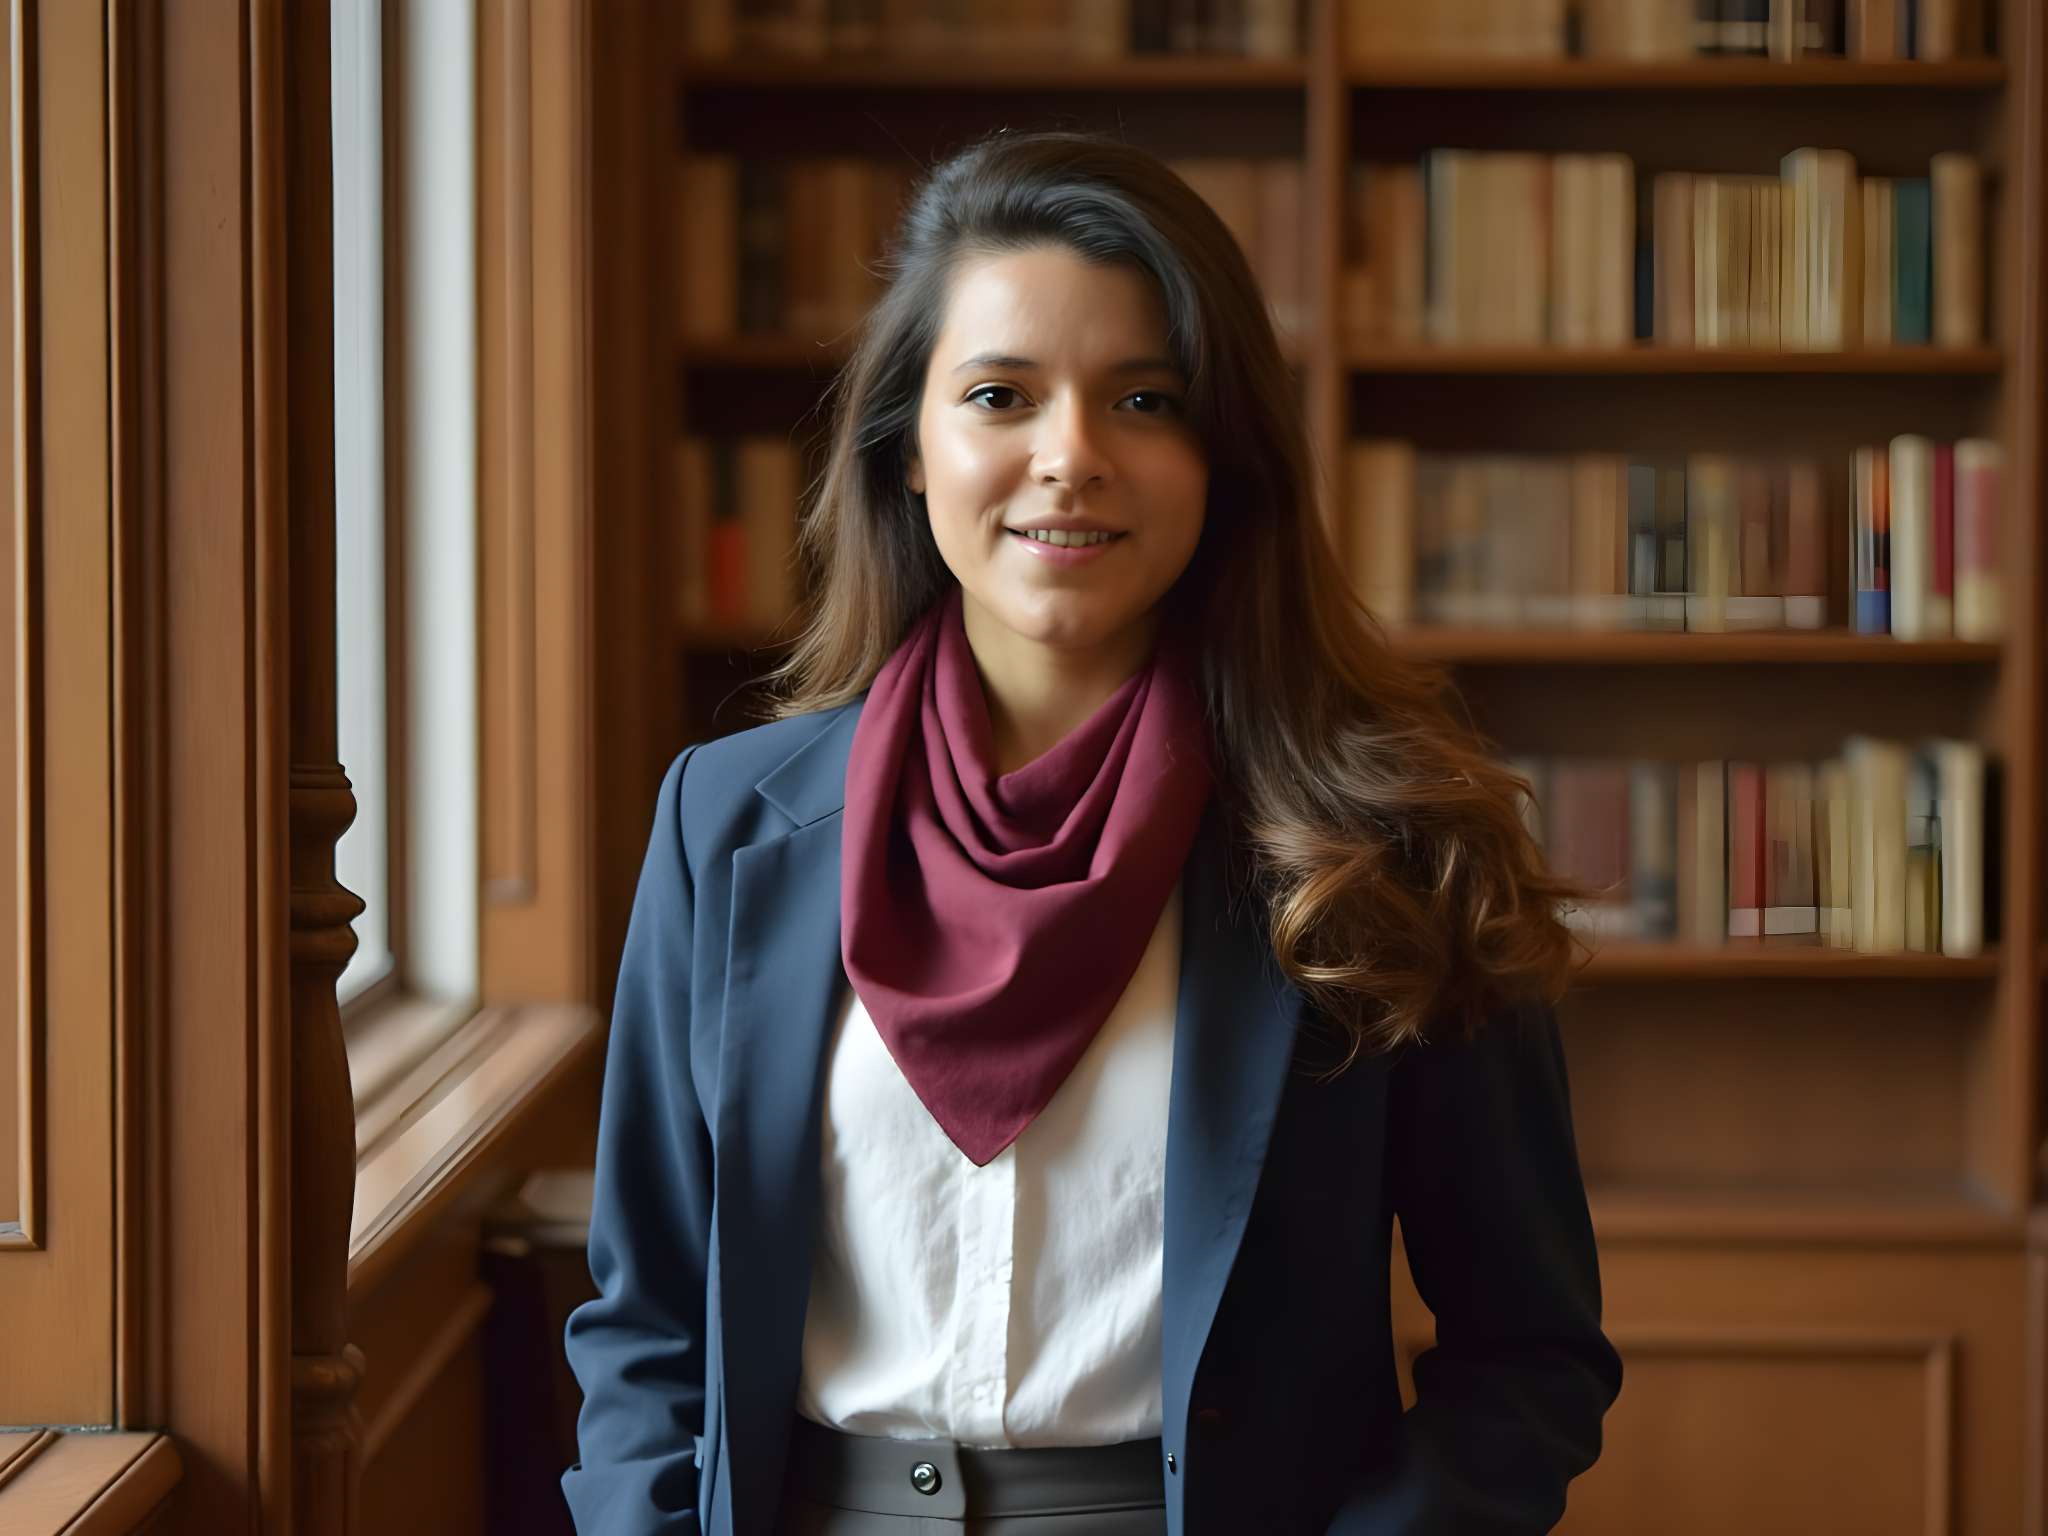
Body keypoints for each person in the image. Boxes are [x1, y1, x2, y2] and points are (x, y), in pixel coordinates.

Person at [562, 132, 1621, 1536]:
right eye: (1000, 394)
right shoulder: (726, 821)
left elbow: (1527, 1357)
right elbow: (645, 1323)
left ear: (1221, 456)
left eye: (1143, 398)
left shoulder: (1386, 843)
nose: (1070, 458)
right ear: (910, 449)